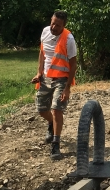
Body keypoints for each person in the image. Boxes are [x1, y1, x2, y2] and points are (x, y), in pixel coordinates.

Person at [30, 10, 78, 160]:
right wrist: (39, 73)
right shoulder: (45, 32)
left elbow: (73, 64)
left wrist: (67, 87)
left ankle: (55, 144)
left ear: (64, 25)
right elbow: (42, 53)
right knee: (41, 109)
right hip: (46, 77)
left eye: (57, 25)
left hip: (62, 79)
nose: (53, 27)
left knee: (57, 109)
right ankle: (51, 123)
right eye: (52, 23)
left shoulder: (69, 39)